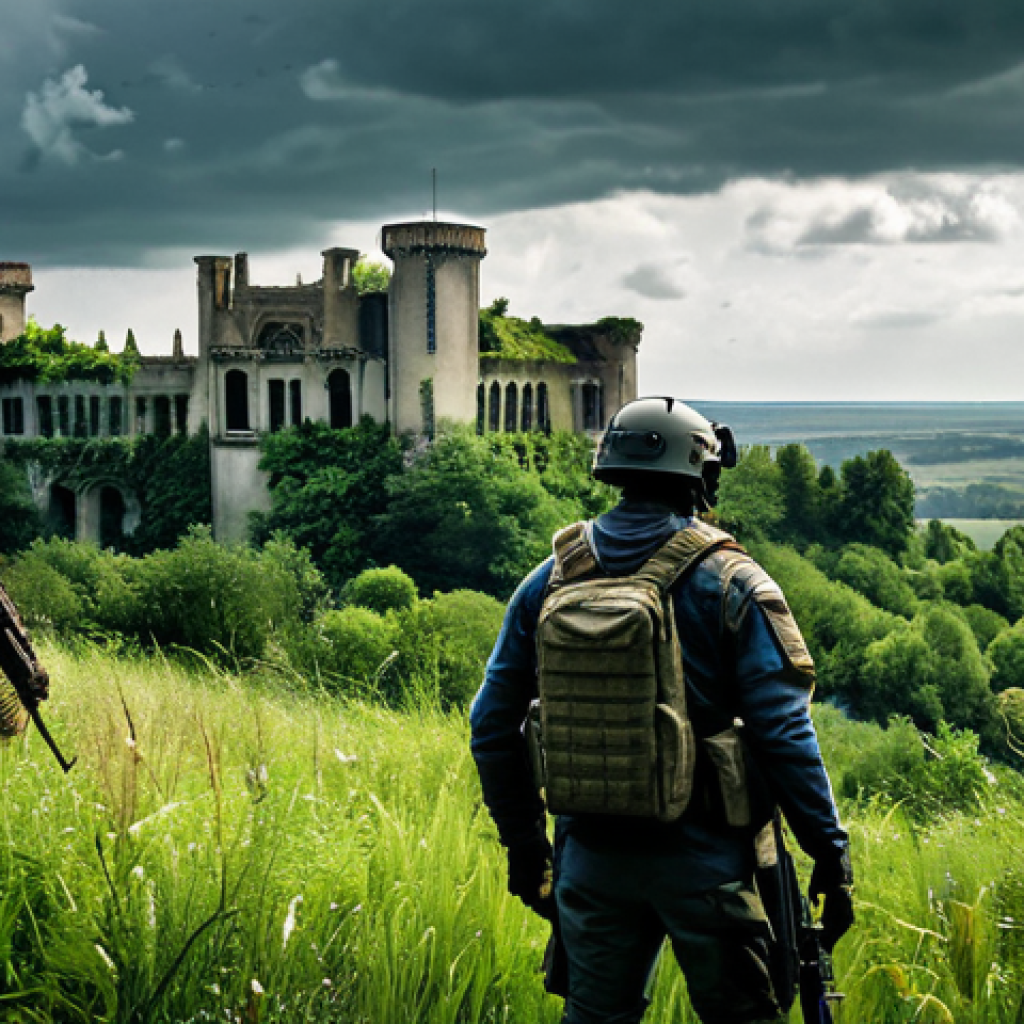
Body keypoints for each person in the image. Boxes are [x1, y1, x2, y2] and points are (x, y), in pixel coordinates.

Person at [470, 397, 853, 1024]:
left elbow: (491, 727)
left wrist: (525, 850)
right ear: (700, 475)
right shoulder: (734, 581)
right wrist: (831, 855)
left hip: (588, 861)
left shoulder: (549, 581)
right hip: (709, 864)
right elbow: (784, 732)